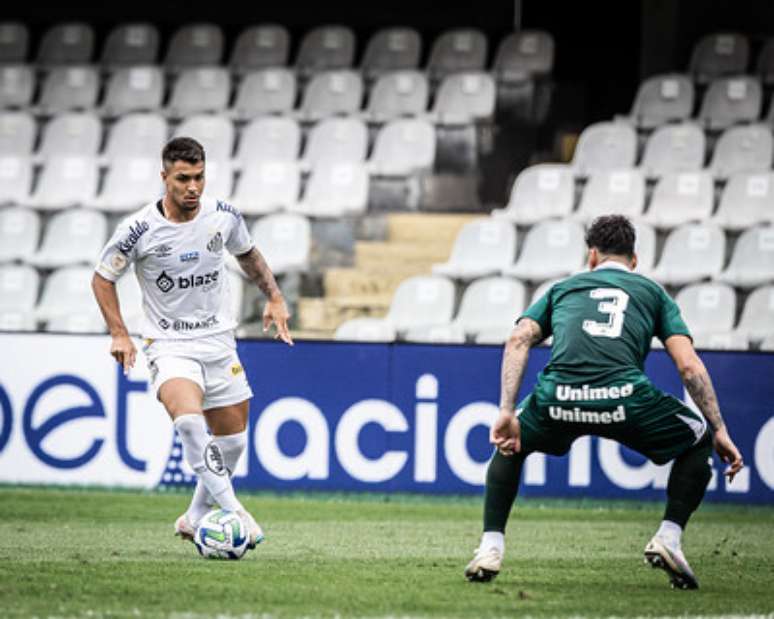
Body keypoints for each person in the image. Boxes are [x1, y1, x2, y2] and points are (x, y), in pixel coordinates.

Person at [464, 215, 743, 589]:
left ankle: (490, 548)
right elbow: (689, 367)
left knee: (510, 442)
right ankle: (669, 538)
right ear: (635, 260)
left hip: (558, 398)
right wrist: (720, 429)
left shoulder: (562, 289)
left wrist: (505, 412)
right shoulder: (654, 294)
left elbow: (518, 340)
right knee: (697, 436)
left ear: (591, 256)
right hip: (626, 399)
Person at [92, 137, 293, 551]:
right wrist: (118, 331)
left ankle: (196, 516)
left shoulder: (223, 216)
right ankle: (235, 512)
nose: (193, 188)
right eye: (183, 178)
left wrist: (274, 297)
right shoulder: (138, 230)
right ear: (164, 176)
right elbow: (102, 277)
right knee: (187, 422)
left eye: (199, 177)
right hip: (169, 345)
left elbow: (249, 255)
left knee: (234, 441)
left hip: (218, 342)